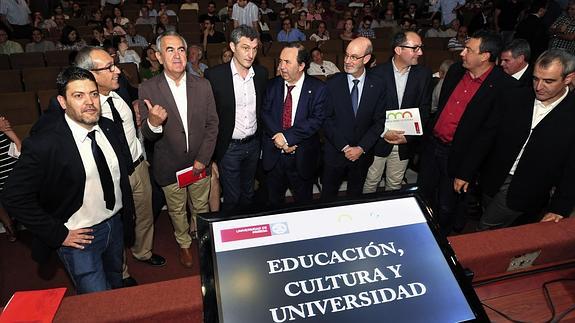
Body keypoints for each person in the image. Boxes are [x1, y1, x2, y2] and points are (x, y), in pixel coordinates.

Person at [2, 66, 135, 294]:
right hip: (79, 238)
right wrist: (58, 233)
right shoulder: (45, 143)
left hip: (115, 226)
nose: (90, 102)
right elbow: (13, 195)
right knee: (97, 303)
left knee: (116, 288)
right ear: (63, 102)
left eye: (93, 94)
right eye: (78, 95)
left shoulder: (109, 127)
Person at [454, 49, 575, 229]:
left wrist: (559, 207)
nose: (539, 87)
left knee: (486, 228)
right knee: (496, 224)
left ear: (568, 78)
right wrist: (466, 171)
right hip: (492, 179)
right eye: (535, 79)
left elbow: (572, 166)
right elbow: (487, 136)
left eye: (549, 81)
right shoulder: (515, 97)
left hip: (529, 189)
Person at [74, 46, 166, 280]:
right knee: (118, 225)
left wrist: (137, 105)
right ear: (91, 75)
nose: (117, 70)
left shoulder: (120, 86)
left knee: (146, 212)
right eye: (109, 67)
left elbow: (135, 94)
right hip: (114, 176)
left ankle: (143, 251)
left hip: (138, 165)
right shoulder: (84, 109)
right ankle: (122, 272)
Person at [417, 31, 518, 236]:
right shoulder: (455, 71)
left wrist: (466, 172)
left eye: (468, 50)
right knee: (423, 193)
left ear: (485, 56)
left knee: (447, 204)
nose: (462, 53)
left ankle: (442, 238)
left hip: (458, 156)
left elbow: (487, 136)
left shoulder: (503, 86)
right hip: (433, 146)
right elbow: (441, 109)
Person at [139, 31, 218, 268]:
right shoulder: (148, 89)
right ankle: (183, 244)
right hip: (169, 165)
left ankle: (203, 243)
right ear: (159, 57)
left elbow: (213, 124)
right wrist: (153, 122)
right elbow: (147, 134)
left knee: (201, 207)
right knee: (176, 210)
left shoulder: (203, 85)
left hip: (199, 162)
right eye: (170, 50)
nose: (177, 55)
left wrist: (203, 159)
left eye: (181, 50)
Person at [204, 25, 268, 211]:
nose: (251, 54)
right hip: (229, 147)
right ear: (232, 47)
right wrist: (212, 156)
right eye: (245, 48)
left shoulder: (261, 74)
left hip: (254, 145)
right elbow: (209, 117)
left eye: (254, 49)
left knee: (249, 193)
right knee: (232, 196)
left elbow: (262, 110)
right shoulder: (215, 75)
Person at [363, 31, 432, 193]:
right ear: (398, 49)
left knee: (395, 185)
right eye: (415, 48)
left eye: (420, 48)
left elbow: (425, 110)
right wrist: (383, 132)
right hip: (378, 139)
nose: (420, 52)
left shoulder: (424, 75)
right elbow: (367, 112)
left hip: (404, 142)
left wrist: (408, 136)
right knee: (370, 183)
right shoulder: (375, 74)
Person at [262, 43, 326, 205]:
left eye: (287, 62)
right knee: (272, 203)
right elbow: (265, 114)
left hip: (302, 157)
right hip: (274, 157)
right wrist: (281, 142)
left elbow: (316, 120)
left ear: (301, 66)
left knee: (303, 205)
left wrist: (287, 138)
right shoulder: (271, 85)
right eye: (280, 61)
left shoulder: (318, 88)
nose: (281, 66)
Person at [321, 37, 386, 199]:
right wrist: (344, 147)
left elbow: (380, 121)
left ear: (367, 59)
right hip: (335, 153)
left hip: (362, 156)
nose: (347, 61)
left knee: (355, 197)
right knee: (327, 197)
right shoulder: (332, 83)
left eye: (354, 57)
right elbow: (325, 119)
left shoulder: (378, 84)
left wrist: (361, 148)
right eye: (346, 55)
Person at [0, 117, 21, 242]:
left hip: (7, 159)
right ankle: (9, 224)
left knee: (17, 187)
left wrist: (18, 144)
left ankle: (18, 218)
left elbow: (18, 144)